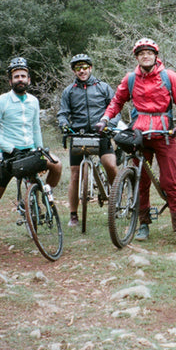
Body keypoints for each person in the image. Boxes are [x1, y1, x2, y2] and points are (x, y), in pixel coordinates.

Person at [98, 38, 176, 247]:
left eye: (149, 52)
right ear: (137, 57)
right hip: (140, 135)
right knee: (140, 180)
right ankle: (143, 224)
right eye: (141, 53)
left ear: (155, 56)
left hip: (165, 134)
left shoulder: (169, 77)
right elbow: (117, 101)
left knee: (170, 182)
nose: (145, 56)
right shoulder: (131, 79)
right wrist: (105, 118)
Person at [0, 58, 63, 255]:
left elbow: (35, 127)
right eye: (16, 77)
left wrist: (41, 150)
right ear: (10, 81)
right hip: (9, 156)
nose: (20, 79)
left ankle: (44, 194)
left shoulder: (33, 101)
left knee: (56, 164)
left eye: (23, 76)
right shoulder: (0, 102)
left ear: (29, 79)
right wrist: (10, 149)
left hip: (31, 152)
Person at [56, 53, 118, 228]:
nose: (82, 71)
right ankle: (73, 215)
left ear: (90, 68)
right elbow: (63, 112)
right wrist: (63, 123)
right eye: (78, 68)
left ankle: (116, 198)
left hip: (101, 134)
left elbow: (114, 108)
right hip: (79, 135)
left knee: (110, 165)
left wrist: (109, 124)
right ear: (74, 71)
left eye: (84, 67)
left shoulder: (103, 87)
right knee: (75, 173)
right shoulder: (69, 91)